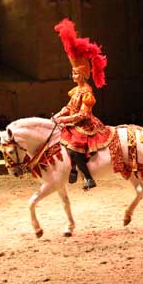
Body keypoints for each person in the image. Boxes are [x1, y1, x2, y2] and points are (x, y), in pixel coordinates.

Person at [52, 18, 109, 190]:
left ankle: (89, 178)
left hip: (85, 124)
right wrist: (59, 114)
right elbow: (69, 107)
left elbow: (83, 114)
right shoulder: (75, 91)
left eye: (76, 73)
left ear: (83, 75)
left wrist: (66, 120)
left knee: (76, 147)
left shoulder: (87, 92)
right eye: (73, 73)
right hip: (73, 121)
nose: (73, 76)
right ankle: (73, 169)